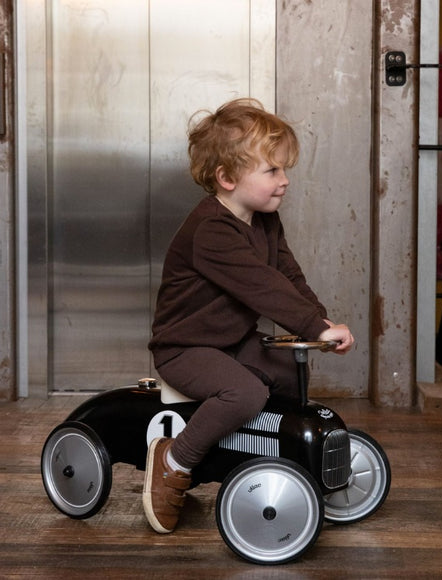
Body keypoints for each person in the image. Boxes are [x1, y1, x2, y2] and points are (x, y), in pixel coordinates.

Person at [143, 98, 354, 534]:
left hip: (231, 338)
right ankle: (175, 459)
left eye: (284, 169)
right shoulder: (212, 231)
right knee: (243, 393)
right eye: (272, 171)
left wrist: (321, 323)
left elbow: (287, 275)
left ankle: (263, 454)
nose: (285, 181)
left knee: (284, 368)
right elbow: (262, 288)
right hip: (185, 346)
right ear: (227, 178)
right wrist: (315, 328)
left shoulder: (264, 221)